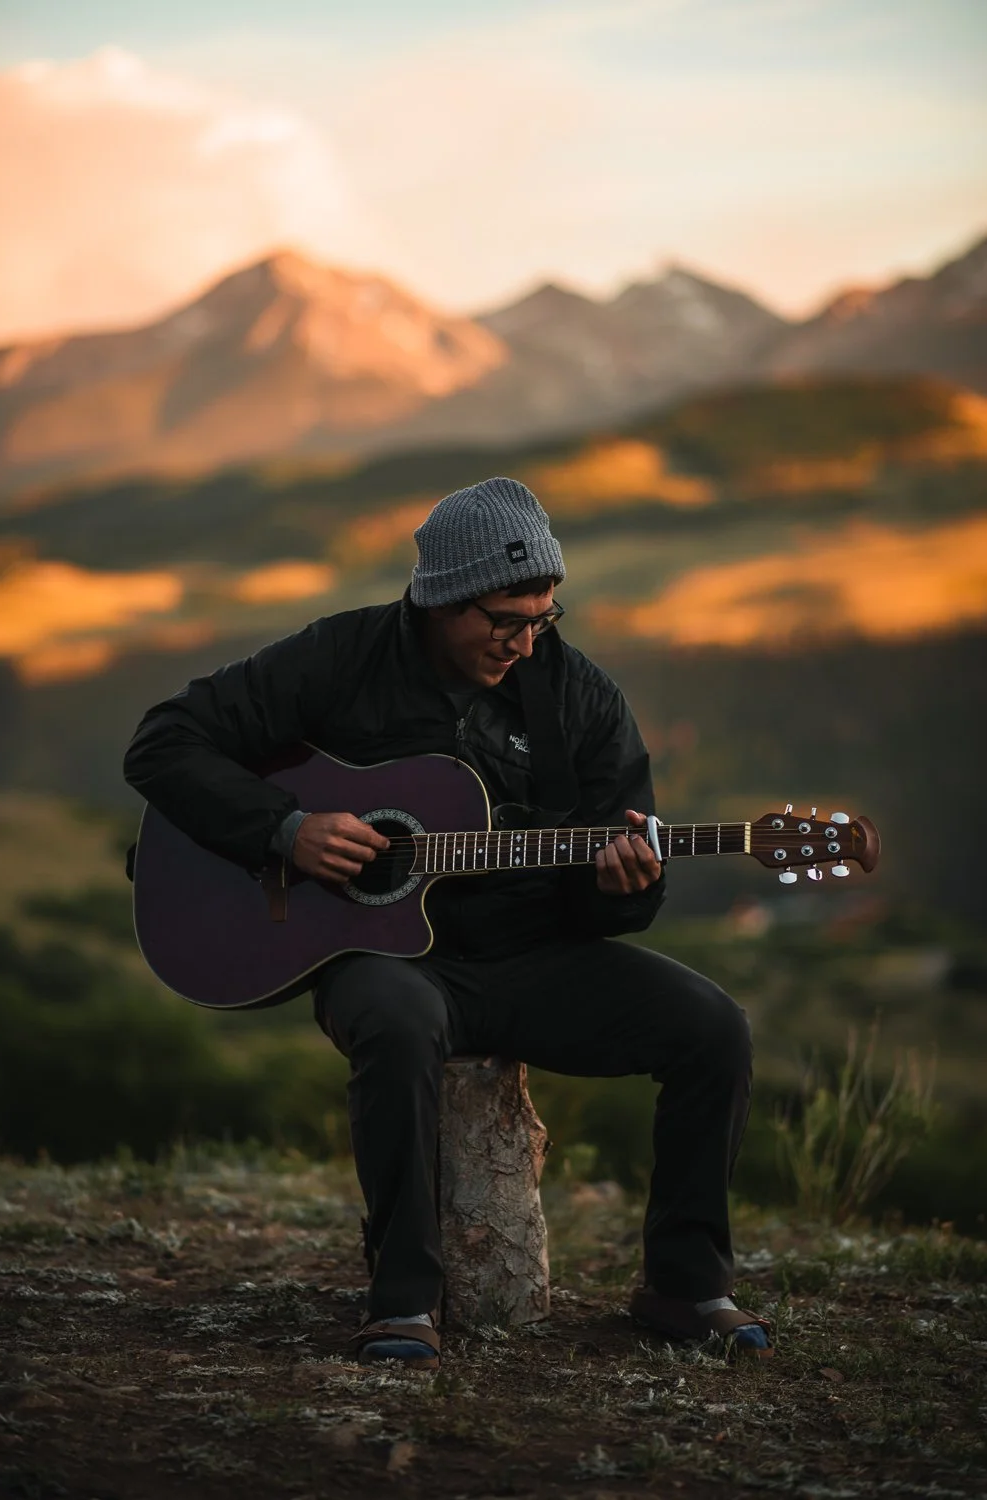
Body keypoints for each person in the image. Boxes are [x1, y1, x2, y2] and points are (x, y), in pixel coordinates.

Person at [123, 476, 771, 1370]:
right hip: (385, 961)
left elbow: (612, 906)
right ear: (439, 599)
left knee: (713, 1028)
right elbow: (162, 743)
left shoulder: (578, 699)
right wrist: (285, 829)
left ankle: (683, 1287)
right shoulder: (339, 657)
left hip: (532, 958)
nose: (524, 640)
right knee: (394, 1019)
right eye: (503, 620)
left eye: (541, 617)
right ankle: (403, 1302)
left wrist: (625, 883)